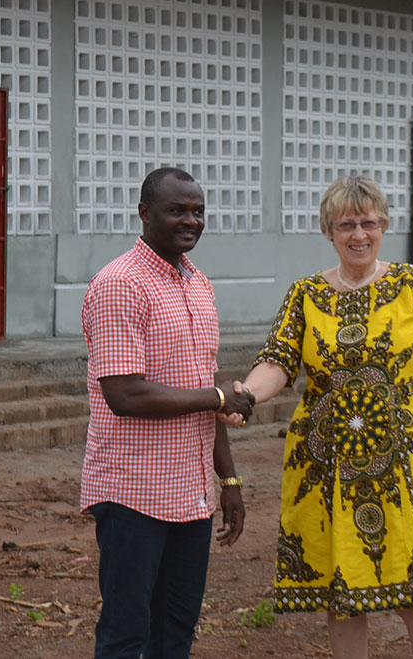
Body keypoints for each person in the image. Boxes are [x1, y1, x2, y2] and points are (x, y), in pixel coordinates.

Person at [230, 174, 413, 659]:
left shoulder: (412, 285)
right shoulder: (305, 295)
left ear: (383, 226)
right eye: (346, 225)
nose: (358, 234)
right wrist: (246, 396)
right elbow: (277, 362)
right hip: (329, 468)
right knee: (342, 601)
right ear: (328, 231)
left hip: (411, 469)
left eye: (368, 223)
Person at [79, 166, 255, 659]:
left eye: (198, 211)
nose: (191, 221)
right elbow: (126, 395)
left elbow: (205, 388)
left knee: (175, 631)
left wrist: (230, 483)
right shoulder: (119, 284)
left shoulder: (198, 283)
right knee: (126, 631)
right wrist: (217, 398)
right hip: (133, 492)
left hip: (190, 494)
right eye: (176, 210)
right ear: (144, 213)